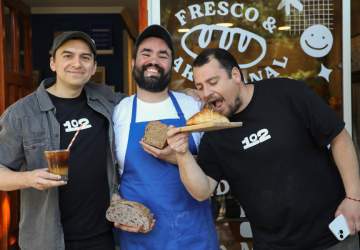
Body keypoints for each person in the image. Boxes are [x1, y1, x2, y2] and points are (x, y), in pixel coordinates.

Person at [167, 48, 360, 250]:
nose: (206, 93)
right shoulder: (215, 133)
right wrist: (182, 154)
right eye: (199, 87)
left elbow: (339, 137)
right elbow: (202, 190)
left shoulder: (286, 93)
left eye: (212, 82)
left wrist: (354, 198)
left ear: (235, 75)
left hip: (333, 238)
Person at [0, 31, 125, 250]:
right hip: (47, 240)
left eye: (85, 57)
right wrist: (29, 179)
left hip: (103, 236)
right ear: (53, 63)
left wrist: (188, 94)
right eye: (68, 55)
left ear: (93, 68)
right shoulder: (21, 114)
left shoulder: (107, 101)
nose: (77, 63)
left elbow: (145, 103)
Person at [112, 25, 218, 249]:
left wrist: (178, 157)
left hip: (192, 236)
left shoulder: (194, 106)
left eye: (163, 55)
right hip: (139, 238)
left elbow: (214, 167)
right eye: (146, 53)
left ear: (171, 64)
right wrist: (115, 201)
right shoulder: (118, 111)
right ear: (133, 63)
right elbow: (108, 172)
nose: (154, 61)